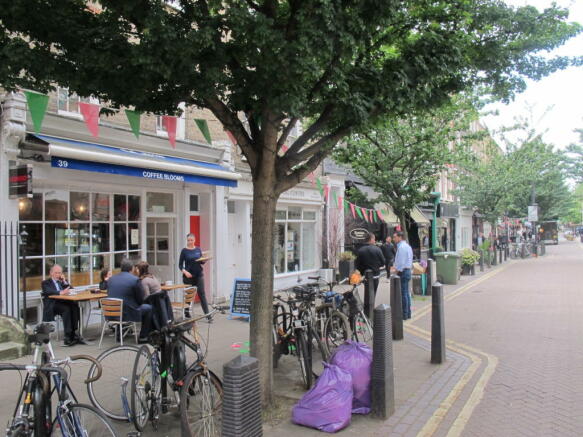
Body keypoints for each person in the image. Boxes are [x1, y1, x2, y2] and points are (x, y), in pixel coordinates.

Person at [107, 259, 153, 342]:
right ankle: (143, 336)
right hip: (128, 314)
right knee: (148, 308)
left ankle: (119, 334)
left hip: (110, 314)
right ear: (132, 269)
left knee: (122, 305)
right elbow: (140, 299)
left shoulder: (111, 279)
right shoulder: (134, 280)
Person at [41, 265, 84, 346]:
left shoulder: (62, 282)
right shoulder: (46, 283)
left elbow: (71, 289)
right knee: (66, 309)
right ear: (51, 273)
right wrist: (60, 292)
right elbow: (48, 291)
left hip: (64, 302)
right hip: (53, 304)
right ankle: (67, 337)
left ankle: (74, 332)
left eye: (59, 273)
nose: (58, 275)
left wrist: (64, 281)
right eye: (56, 273)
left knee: (75, 306)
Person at [178, 233, 211, 321]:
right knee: (189, 295)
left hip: (199, 274)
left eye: (191, 240)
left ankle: (208, 315)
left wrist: (205, 260)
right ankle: (186, 312)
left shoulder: (198, 249)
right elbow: (180, 265)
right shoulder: (184, 251)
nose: (190, 242)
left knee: (202, 294)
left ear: (194, 240)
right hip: (188, 276)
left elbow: (201, 262)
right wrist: (185, 272)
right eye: (188, 240)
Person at [135, 261, 174, 329]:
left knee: (141, 307)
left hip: (154, 304)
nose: (135, 271)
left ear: (140, 270)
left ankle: (144, 331)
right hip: (160, 302)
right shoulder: (152, 276)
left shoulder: (144, 281)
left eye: (137, 269)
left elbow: (147, 297)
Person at [355, 233, 386, 312]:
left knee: (367, 292)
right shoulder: (377, 249)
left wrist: (363, 272)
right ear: (371, 239)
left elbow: (357, 265)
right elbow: (383, 262)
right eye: (374, 239)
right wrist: (376, 266)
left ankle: (367, 310)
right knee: (373, 292)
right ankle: (371, 310)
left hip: (366, 276)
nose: (375, 241)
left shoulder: (361, 250)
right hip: (375, 275)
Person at [391, 231, 413, 320]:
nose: (393, 239)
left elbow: (401, 262)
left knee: (404, 293)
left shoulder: (402, 247)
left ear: (400, 237)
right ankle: (408, 313)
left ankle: (404, 314)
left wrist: (395, 271)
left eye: (394, 237)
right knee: (406, 293)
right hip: (407, 271)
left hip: (403, 272)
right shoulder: (406, 246)